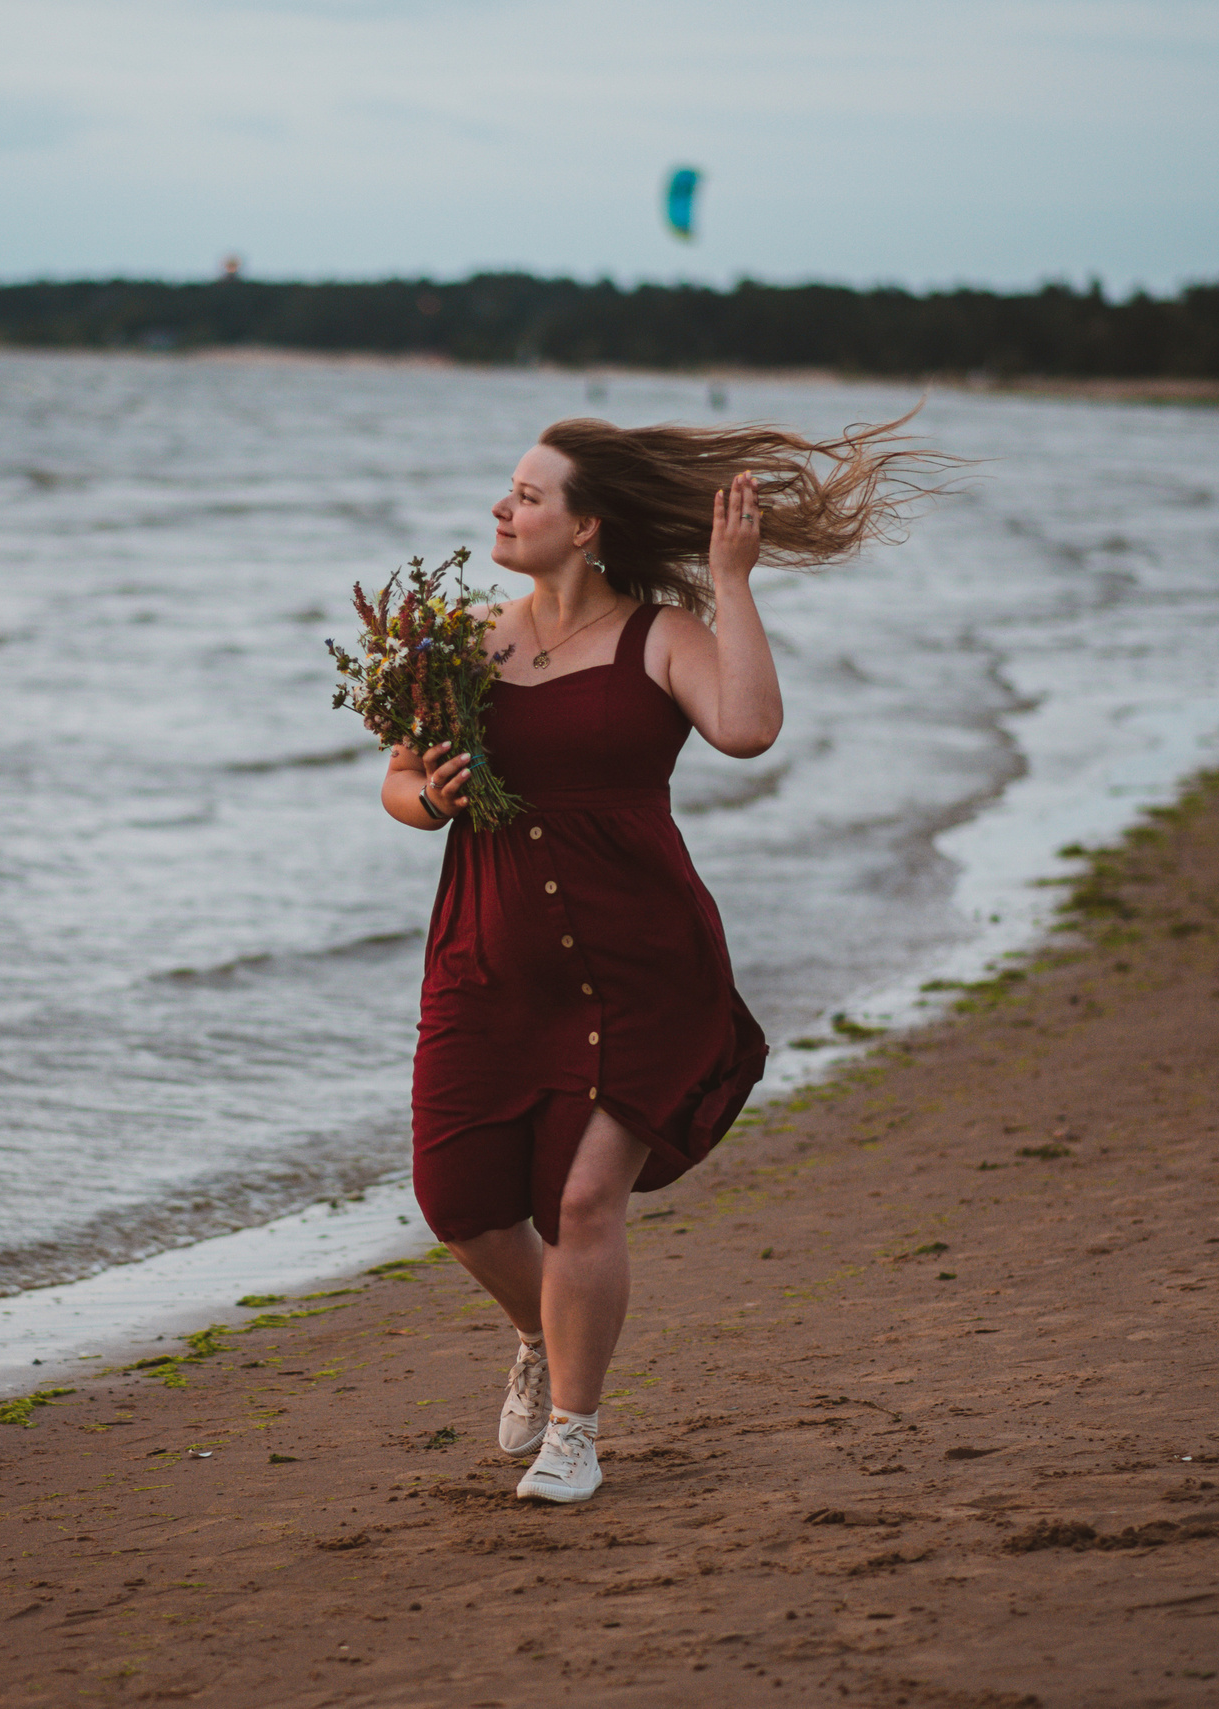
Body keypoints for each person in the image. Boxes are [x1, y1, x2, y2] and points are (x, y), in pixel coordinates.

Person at [380, 413, 944, 1503]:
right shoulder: (459, 642)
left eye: (529, 495)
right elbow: (400, 783)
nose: (503, 507)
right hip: (485, 968)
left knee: (586, 1200)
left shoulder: (661, 636)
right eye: (508, 489)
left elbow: (746, 728)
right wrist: (429, 796)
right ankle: (544, 1334)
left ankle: (574, 1433)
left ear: (587, 526)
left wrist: (733, 580)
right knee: (458, 1202)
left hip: (639, 968)